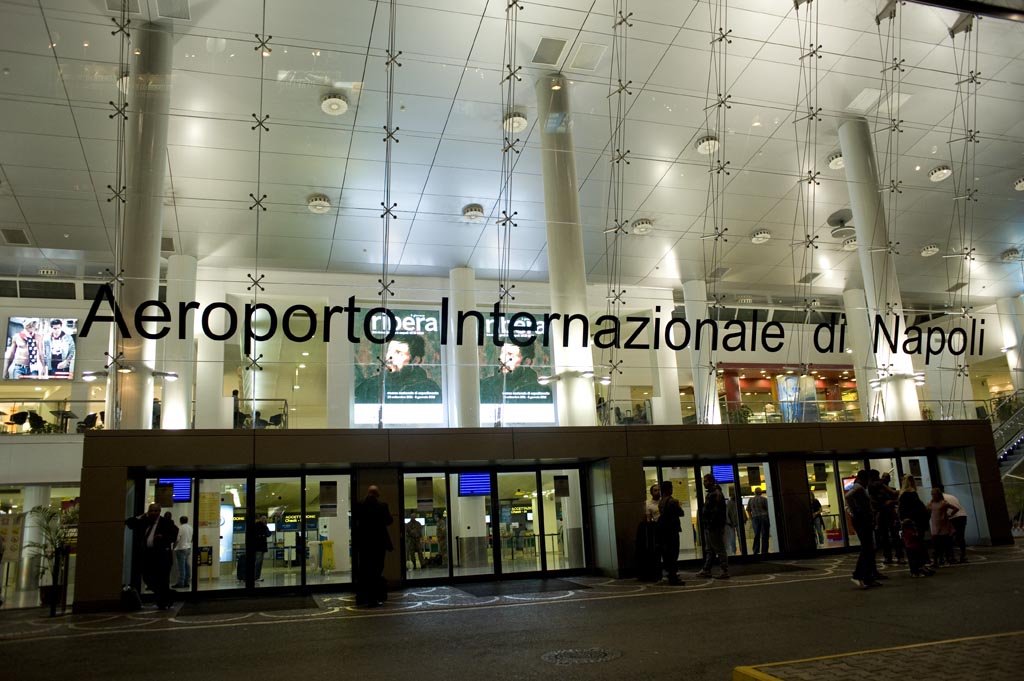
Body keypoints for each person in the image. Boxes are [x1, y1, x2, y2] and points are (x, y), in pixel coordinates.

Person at [355, 334, 441, 403]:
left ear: (415, 361)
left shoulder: (429, 389)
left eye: (398, 352)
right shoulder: (369, 386)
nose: (389, 357)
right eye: (389, 351)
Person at [125, 503, 179, 609]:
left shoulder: (166, 522)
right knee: (147, 577)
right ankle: (168, 595)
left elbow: (174, 535)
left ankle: (163, 602)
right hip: (148, 556)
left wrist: (163, 537)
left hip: (162, 556)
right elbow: (129, 523)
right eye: (151, 511)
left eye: (156, 511)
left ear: (159, 512)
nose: (153, 513)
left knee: (162, 580)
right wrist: (141, 516)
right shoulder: (145, 522)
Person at [352, 485, 394, 607]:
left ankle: (362, 597)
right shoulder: (382, 506)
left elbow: (355, 522)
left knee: (364, 569)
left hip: (364, 543)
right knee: (376, 570)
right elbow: (389, 521)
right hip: (378, 543)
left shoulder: (359, 505)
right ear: (377, 494)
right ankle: (373, 598)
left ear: (368, 493)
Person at [479, 340, 550, 404]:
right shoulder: (486, 386)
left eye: (510, 354)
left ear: (526, 362)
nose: (501, 358)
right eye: (502, 352)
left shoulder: (540, 391)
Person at [845, 470, 881, 588]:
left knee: (868, 548)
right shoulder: (858, 487)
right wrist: (856, 511)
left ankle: (868, 577)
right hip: (862, 520)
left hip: (863, 520)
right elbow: (848, 496)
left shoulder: (859, 487)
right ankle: (859, 575)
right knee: (867, 548)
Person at [897, 475, 933, 576]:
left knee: (911, 547)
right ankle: (919, 567)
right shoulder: (912, 494)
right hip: (915, 523)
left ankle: (917, 568)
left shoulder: (902, 496)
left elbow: (901, 511)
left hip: (907, 524)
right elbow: (919, 510)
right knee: (917, 546)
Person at [696, 474, 729, 579]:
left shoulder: (715, 494)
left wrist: (710, 522)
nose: (704, 483)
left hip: (714, 526)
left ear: (711, 481)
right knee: (710, 549)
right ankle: (706, 569)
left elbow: (716, 512)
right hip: (710, 525)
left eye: (705, 481)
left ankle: (724, 570)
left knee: (718, 548)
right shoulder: (712, 493)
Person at [868, 470, 902, 565]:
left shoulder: (875, 487)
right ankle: (890, 556)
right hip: (884, 513)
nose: (884, 479)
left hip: (887, 512)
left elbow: (896, 498)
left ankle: (896, 556)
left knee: (893, 535)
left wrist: (891, 502)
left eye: (886, 477)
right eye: (883, 477)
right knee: (886, 536)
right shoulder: (876, 487)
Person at [656, 481, 685, 585]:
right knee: (674, 552)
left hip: (664, 530)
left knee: (667, 553)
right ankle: (673, 576)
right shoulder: (673, 501)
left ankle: (670, 573)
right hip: (673, 529)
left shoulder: (661, 502)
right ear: (669, 489)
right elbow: (681, 513)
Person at [635, 484, 662, 582]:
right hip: (656, 528)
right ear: (651, 492)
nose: (657, 492)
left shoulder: (663, 502)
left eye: (658, 490)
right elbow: (648, 518)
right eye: (655, 490)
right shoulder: (648, 504)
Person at [928, 488, 958, 567]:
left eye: (934, 494)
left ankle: (946, 558)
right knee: (936, 545)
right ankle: (937, 560)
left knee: (944, 544)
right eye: (932, 494)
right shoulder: (931, 503)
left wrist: (949, 515)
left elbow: (955, 508)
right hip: (935, 526)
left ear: (938, 495)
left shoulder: (943, 503)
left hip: (943, 525)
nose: (933, 496)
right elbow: (928, 510)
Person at [942, 490, 969, 563]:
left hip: (953, 517)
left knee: (949, 537)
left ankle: (951, 557)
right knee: (960, 537)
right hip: (963, 515)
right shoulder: (952, 496)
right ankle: (963, 556)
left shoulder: (941, 498)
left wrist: (948, 515)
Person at [746, 487, 770, 555]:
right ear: (761, 492)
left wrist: (751, 517)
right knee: (765, 535)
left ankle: (756, 550)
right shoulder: (764, 499)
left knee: (756, 535)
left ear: (755, 493)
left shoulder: (751, 500)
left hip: (755, 518)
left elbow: (748, 510)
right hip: (764, 517)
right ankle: (764, 551)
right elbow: (768, 509)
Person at [172, 515, 193, 589]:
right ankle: (187, 582)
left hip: (181, 548)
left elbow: (177, 539)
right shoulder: (190, 527)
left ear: (180, 521)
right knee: (187, 566)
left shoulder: (180, 528)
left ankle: (181, 582)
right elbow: (192, 538)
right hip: (188, 547)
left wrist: (174, 547)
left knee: (181, 567)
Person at [253, 516, 271, 581]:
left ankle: (255, 576)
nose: (266, 521)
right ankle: (256, 577)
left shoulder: (255, 526)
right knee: (259, 562)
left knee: (256, 562)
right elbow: (268, 534)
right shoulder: (263, 526)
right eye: (265, 520)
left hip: (255, 547)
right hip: (260, 547)